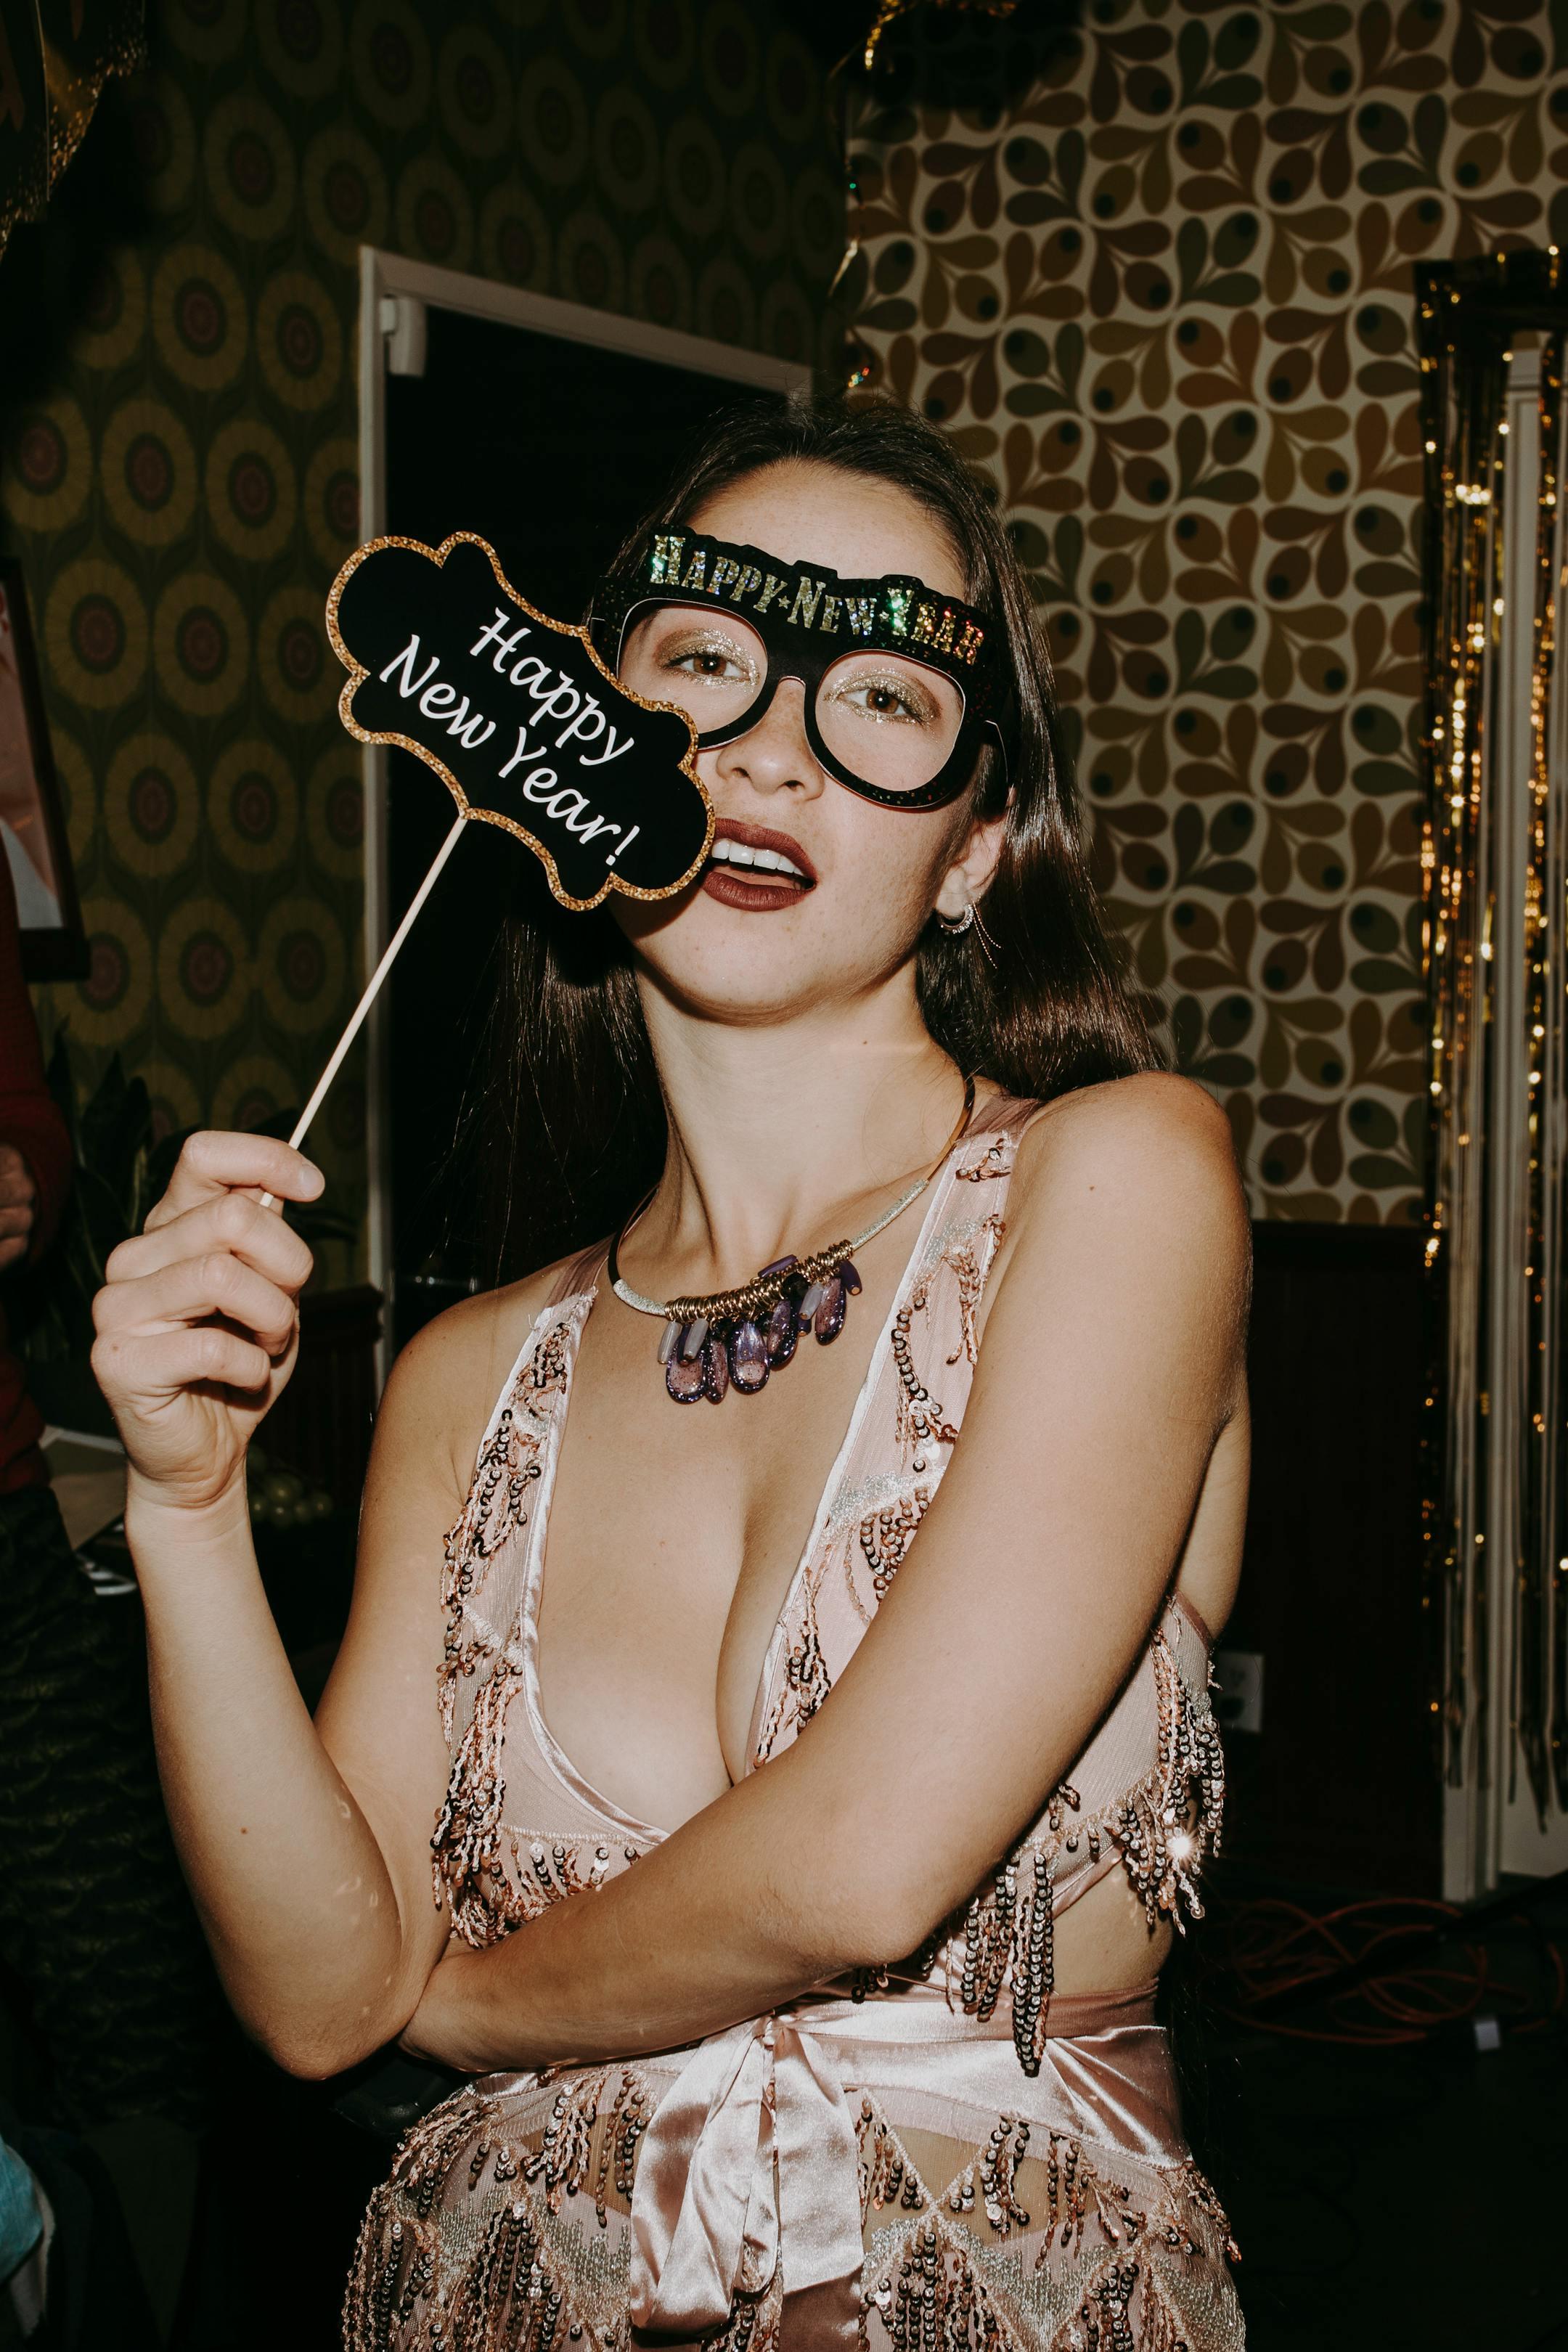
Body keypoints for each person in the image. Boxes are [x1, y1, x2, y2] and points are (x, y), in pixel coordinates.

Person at [91, 399, 1251, 2351]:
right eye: (704, 666)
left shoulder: (1120, 1181)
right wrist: (186, 1504)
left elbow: (868, 1860)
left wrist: (453, 2004)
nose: (769, 742)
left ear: (975, 851)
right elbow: (311, 1990)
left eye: (880, 696)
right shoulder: (474, 1377)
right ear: (580, 761)